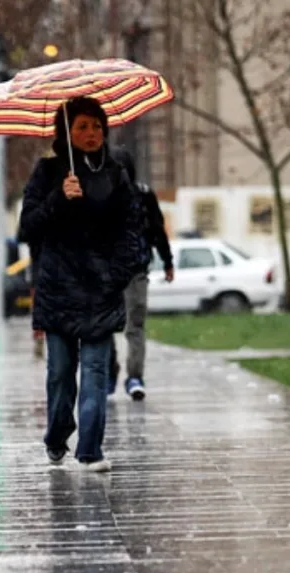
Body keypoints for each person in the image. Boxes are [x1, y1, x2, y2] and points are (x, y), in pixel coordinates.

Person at [17, 97, 146, 473]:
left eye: (97, 126)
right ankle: (57, 436)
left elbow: (132, 229)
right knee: (59, 373)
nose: (92, 134)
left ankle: (90, 450)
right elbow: (28, 226)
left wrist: (117, 273)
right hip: (58, 288)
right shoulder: (48, 171)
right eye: (82, 127)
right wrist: (60, 197)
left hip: (101, 290)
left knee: (94, 370)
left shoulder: (117, 174)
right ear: (66, 132)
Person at [106, 148, 175, 399]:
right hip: (108, 271)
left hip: (135, 270)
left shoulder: (143, 195)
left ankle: (134, 376)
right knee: (107, 326)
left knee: (134, 325)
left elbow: (157, 229)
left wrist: (167, 261)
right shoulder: (102, 198)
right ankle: (112, 373)